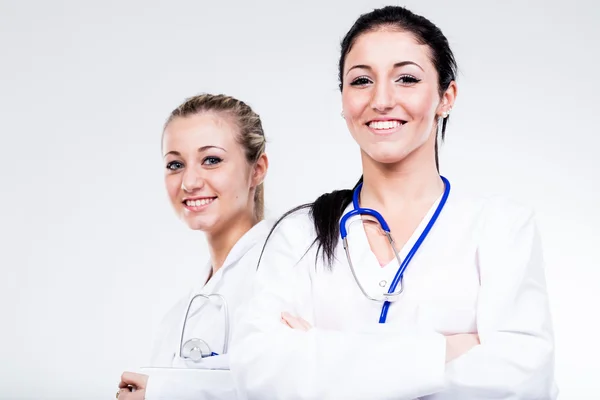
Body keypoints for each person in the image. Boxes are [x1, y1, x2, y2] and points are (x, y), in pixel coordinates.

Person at [230, 6, 557, 400]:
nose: (381, 99)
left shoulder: (502, 226)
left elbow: (523, 380)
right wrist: (446, 350)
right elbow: (259, 371)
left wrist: (320, 353)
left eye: (406, 79)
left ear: (446, 97)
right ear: (343, 100)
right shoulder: (298, 235)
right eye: (362, 80)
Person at [116, 93, 269, 400]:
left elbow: (295, 387)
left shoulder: (287, 272)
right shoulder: (179, 316)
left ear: (257, 169)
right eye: (175, 164)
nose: (189, 182)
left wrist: (162, 392)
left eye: (211, 160)